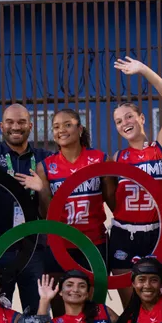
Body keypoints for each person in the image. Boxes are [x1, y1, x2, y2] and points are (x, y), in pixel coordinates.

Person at [109, 57, 162, 306]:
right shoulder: (117, 158)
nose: (124, 123)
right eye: (118, 121)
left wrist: (143, 70)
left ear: (141, 118)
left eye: (129, 117)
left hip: (157, 234)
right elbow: (111, 198)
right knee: (131, 311)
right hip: (122, 235)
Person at [16, 109, 108, 281]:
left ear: (80, 129)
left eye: (67, 125)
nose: (61, 130)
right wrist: (42, 188)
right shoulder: (45, 166)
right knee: (60, 304)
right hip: (59, 244)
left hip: (94, 243)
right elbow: (47, 215)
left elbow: (114, 204)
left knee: (93, 303)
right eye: (56, 127)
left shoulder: (100, 159)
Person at [0, 104, 51, 311]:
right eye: (10, 122)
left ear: (30, 125)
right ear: (2, 126)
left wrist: (42, 188)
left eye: (21, 122)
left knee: (37, 313)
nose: (15, 127)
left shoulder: (44, 157)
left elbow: (49, 213)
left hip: (34, 249)